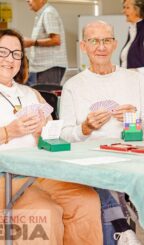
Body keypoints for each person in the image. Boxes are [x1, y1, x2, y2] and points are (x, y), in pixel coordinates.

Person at [0, 29, 102, 244]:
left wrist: (45, 134)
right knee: (44, 212)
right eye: (3, 52)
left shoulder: (31, 94)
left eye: (16, 54)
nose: (10, 59)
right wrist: (9, 132)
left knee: (86, 199)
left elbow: (50, 140)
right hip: (4, 177)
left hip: (37, 172)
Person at [60, 20, 144, 244]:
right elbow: (64, 134)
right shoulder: (72, 86)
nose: (100, 47)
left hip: (130, 157)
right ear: (83, 46)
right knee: (101, 178)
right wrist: (85, 128)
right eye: (94, 41)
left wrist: (136, 122)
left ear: (114, 45)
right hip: (88, 161)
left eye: (106, 40)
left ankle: (122, 230)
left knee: (107, 181)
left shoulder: (135, 80)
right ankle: (122, 229)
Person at [24, 0, 67, 86]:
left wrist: (32, 42)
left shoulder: (48, 13)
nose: (27, 0)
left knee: (46, 97)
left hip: (49, 67)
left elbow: (56, 40)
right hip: (42, 67)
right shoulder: (42, 14)